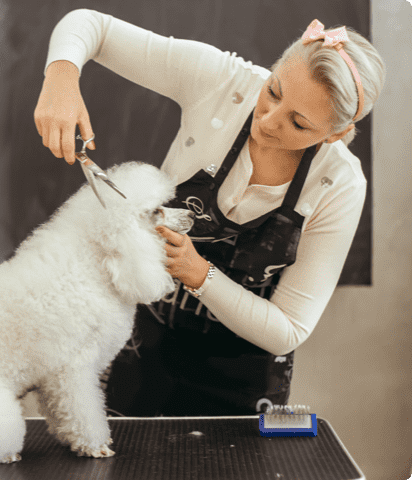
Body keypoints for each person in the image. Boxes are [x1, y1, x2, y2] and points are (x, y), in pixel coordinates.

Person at [34, 9, 386, 416]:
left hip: (241, 380)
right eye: (273, 91)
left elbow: (287, 329)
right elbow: (89, 25)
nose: (268, 121)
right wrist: (61, 77)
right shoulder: (223, 82)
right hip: (143, 345)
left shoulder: (339, 185)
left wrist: (198, 274)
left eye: (299, 124)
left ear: (337, 133)